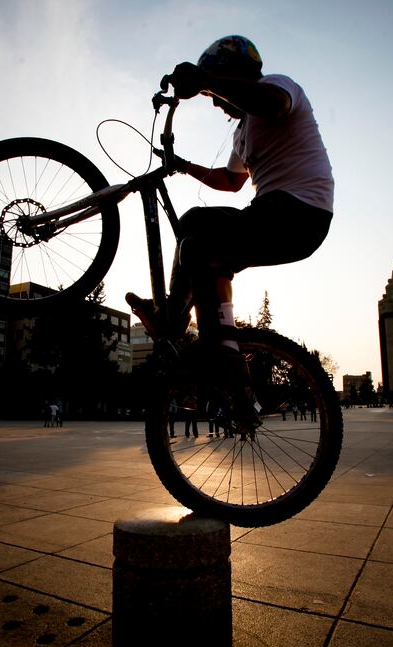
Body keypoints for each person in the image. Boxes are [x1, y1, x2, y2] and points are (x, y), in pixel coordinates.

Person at [126, 36, 334, 402]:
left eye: (217, 97)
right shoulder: (242, 133)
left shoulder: (277, 86)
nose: (219, 106)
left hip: (300, 212)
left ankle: (193, 335)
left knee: (195, 234)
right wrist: (183, 166)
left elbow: (271, 104)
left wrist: (206, 82)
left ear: (234, 74)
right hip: (273, 216)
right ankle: (219, 354)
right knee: (195, 239)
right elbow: (231, 181)